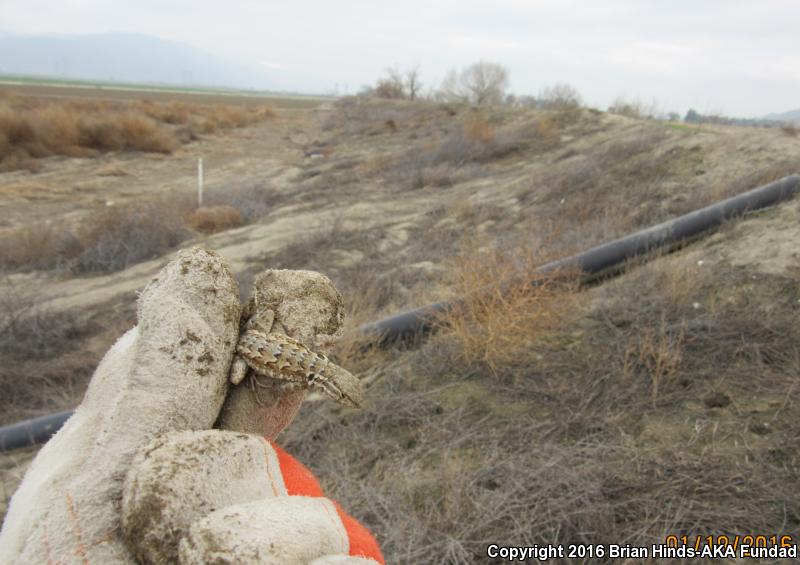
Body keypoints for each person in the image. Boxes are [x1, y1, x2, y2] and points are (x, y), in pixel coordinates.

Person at [0, 248, 384, 564]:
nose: (344, 400)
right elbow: (278, 375)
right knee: (243, 378)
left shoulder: (314, 367)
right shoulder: (305, 375)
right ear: (332, 388)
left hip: (263, 343)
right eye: (343, 396)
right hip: (249, 357)